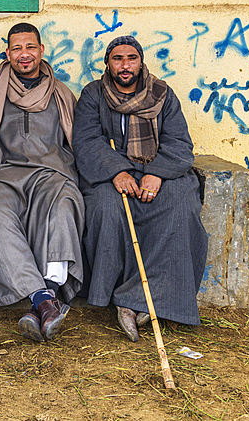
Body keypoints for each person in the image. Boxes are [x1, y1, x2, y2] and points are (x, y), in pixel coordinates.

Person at [73, 35, 208, 342]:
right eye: (117, 58)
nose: (125, 65)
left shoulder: (163, 94)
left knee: (178, 207)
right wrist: (116, 171)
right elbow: (86, 139)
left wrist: (157, 173)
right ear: (107, 63)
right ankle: (116, 293)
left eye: (131, 58)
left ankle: (144, 297)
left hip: (158, 169)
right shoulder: (94, 94)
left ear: (140, 61)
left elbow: (178, 141)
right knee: (106, 208)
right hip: (111, 173)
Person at [0, 22, 84, 342]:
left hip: (51, 173)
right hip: (0, 174)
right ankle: (44, 300)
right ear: (7, 53)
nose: (24, 54)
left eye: (30, 47)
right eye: (17, 48)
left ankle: (44, 296)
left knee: (65, 204)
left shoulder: (61, 94)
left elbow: (79, 143)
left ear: (41, 51)